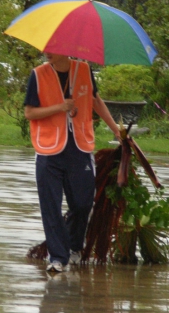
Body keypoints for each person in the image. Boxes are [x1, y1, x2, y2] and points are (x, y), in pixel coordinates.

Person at [24, 52, 120, 272]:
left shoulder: (84, 70)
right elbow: (29, 112)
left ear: (65, 47)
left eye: (53, 46)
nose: (47, 51)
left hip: (80, 147)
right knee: (51, 206)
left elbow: (95, 100)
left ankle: (74, 247)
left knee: (83, 203)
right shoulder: (38, 75)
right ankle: (57, 257)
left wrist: (116, 130)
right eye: (46, 46)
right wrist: (60, 107)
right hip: (48, 149)